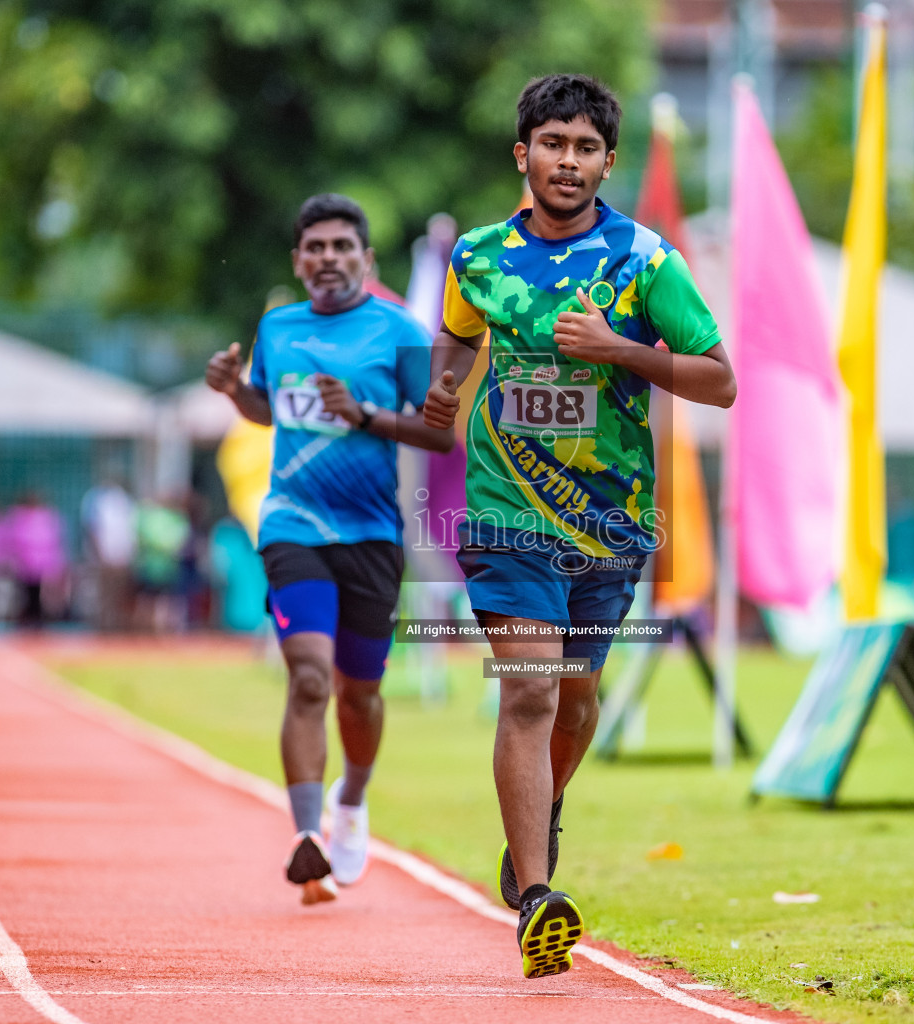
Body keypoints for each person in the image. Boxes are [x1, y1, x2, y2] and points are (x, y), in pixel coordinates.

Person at [423, 74, 735, 979]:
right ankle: (535, 897)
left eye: (586, 147)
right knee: (530, 689)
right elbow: (455, 334)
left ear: (608, 160)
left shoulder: (645, 261)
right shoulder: (477, 256)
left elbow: (720, 378)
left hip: (612, 521)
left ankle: (539, 822)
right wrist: (446, 383)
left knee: (577, 698)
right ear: (523, 154)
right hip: (505, 513)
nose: (569, 161)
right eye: (553, 144)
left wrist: (621, 351)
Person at [205, 193, 452, 906]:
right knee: (309, 676)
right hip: (294, 524)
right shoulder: (277, 328)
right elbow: (265, 407)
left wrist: (364, 415)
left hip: (373, 532)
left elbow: (439, 433)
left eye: (343, 246)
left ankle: (353, 798)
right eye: (315, 247)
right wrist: (233, 393)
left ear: (366, 259)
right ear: (298, 260)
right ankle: (306, 835)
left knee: (359, 692)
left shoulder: (398, 331)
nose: (328, 258)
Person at [81, 477, 137, 632]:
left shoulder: (125, 502)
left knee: (119, 597)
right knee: (104, 597)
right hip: (105, 558)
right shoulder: (98, 501)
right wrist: (100, 555)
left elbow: (130, 532)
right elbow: (94, 530)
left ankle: (115, 629)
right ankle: (102, 628)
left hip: (121, 558)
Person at [6, 493, 66, 629]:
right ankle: (26, 618)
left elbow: (51, 541)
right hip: (25, 564)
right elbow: (16, 541)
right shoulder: (20, 518)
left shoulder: (44, 518)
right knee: (25, 593)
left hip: (39, 564)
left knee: (38, 593)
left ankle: (36, 619)